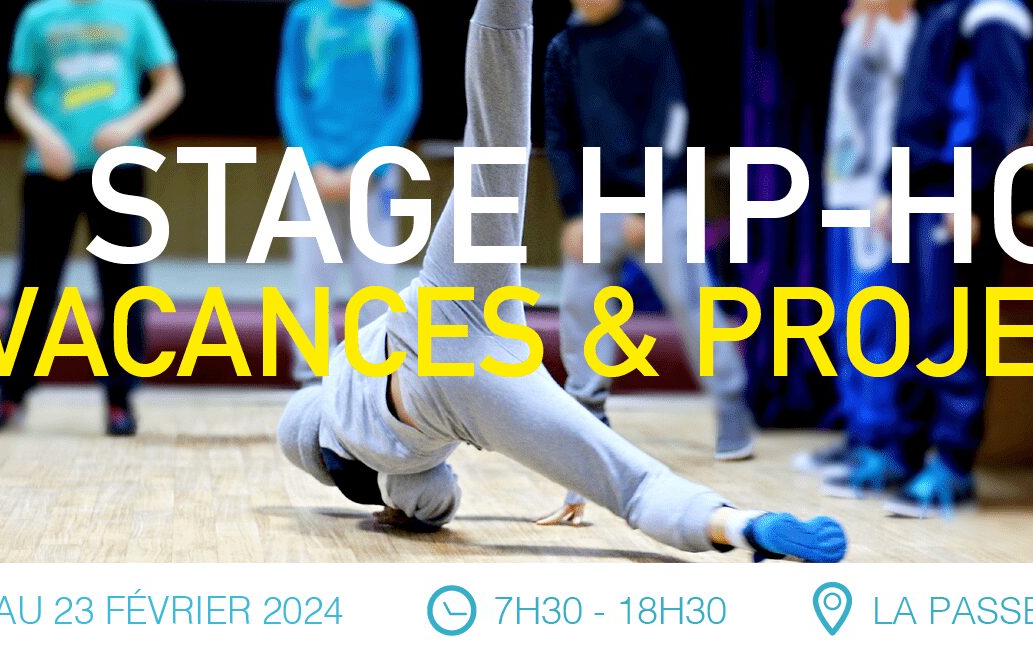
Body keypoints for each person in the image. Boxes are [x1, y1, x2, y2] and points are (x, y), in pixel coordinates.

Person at [275, 0, 848, 563]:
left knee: (632, 484)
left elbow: (432, 499)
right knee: (494, 140)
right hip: (448, 303)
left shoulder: (405, 471)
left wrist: (408, 508)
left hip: (481, 387)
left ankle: (741, 525)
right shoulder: (341, 381)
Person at [823, 0, 1033, 518]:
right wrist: (893, 186)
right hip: (919, 190)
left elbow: (1003, 112)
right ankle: (904, 453)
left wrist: (973, 193)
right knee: (912, 328)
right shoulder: (942, 13)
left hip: (954, 193)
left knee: (950, 330)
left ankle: (953, 464)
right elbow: (916, 112)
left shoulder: (994, 13)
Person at [543, 0, 758, 473]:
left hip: (660, 200)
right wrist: (575, 212)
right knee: (580, 305)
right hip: (595, 203)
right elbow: (559, 136)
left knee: (691, 299)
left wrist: (644, 200)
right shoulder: (564, 48)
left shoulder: (648, 35)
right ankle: (589, 414)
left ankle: (731, 406)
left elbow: (670, 121)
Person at [0, 0, 183, 436]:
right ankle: (10, 393)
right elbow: (17, 95)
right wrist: (42, 135)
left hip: (119, 165)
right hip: (51, 168)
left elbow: (169, 85)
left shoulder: (134, 12)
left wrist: (129, 126)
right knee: (35, 282)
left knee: (122, 285)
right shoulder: (38, 16)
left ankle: (119, 399)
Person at [794, 2, 917, 479]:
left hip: (877, 197)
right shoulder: (857, 24)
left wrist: (894, 188)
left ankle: (880, 443)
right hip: (844, 191)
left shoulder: (901, 28)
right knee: (846, 320)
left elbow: (910, 113)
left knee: (875, 321)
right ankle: (856, 434)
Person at [277, 0, 422, 387]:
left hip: (377, 179)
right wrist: (313, 162)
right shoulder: (305, 17)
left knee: (376, 283)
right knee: (312, 282)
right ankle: (312, 379)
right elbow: (290, 96)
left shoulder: (395, 21)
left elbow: (405, 100)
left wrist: (369, 167)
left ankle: (371, 378)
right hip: (313, 174)